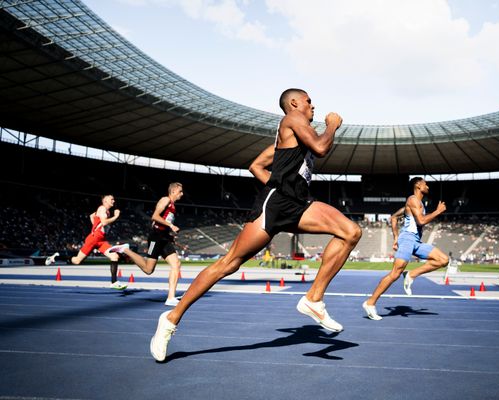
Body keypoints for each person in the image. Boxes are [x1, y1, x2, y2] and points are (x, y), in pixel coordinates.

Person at [148, 88, 362, 362]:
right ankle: (170, 319)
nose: (313, 106)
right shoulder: (294, 119)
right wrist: (332, 125)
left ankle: (313, 299)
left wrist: (285, 186)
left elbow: (255, 166)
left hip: (298, 204)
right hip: (275, 206)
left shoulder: (294, 133)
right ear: (294, 103)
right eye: (308, 101)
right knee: (229, 263)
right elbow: (320, 148)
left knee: (351, 231)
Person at [362, 177, 448, 320]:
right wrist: (438, 211)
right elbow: (420, 221)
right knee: (395, 273)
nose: (428, 186)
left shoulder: (417, 203)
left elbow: (394, 217)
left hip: (416, 241)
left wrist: (396, 237)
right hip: (408, 239)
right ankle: (370, 303)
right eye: (426, 184)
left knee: (443, 260)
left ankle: (411, 274)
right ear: (418, 185)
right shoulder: (413, 200)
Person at [109, 182, 184, 306]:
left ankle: (170, 298)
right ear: (174, 191)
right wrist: (171, 226)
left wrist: (169, 236)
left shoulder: (173, 206)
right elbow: (154, 216)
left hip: (163, 237)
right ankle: (126, 250)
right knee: (148, 270)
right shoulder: (165, 200)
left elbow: (161, 223)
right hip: (156, 237)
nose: (182, 194)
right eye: (180, 191)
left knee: (176, 264)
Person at [70, 194, 127, 290]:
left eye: (114, 199)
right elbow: (104, 222)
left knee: (114, 256)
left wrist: (95, 226)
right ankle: (56, 257)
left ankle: (114, 282)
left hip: (101, 241)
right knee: (77, 261)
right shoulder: (102, 208)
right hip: (94, 239)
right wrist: (116, 216)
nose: (114, 201)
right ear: (105, 201)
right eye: (111, 199)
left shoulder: (106, 211)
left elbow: (92, 216)